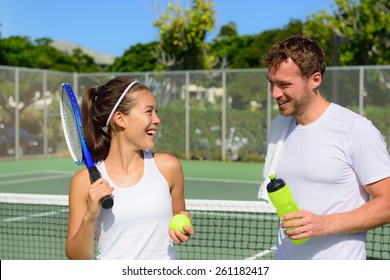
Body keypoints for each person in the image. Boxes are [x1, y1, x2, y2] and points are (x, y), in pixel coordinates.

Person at [259, 35, 390, 259]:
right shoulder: (279, 126)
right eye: (272, 82)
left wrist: (323, 225)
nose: (275, 93)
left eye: (284, 84)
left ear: (315, 79)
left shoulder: (356, 130)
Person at [65, 76, 194, 260]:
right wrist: (90, 216)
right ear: (120, 119)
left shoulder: (169, 167)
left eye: (156, 111)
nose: (157, 120)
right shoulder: (83, 182)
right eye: (149, 112)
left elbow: (179, 219)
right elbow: (78, 258)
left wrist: (183, 230)